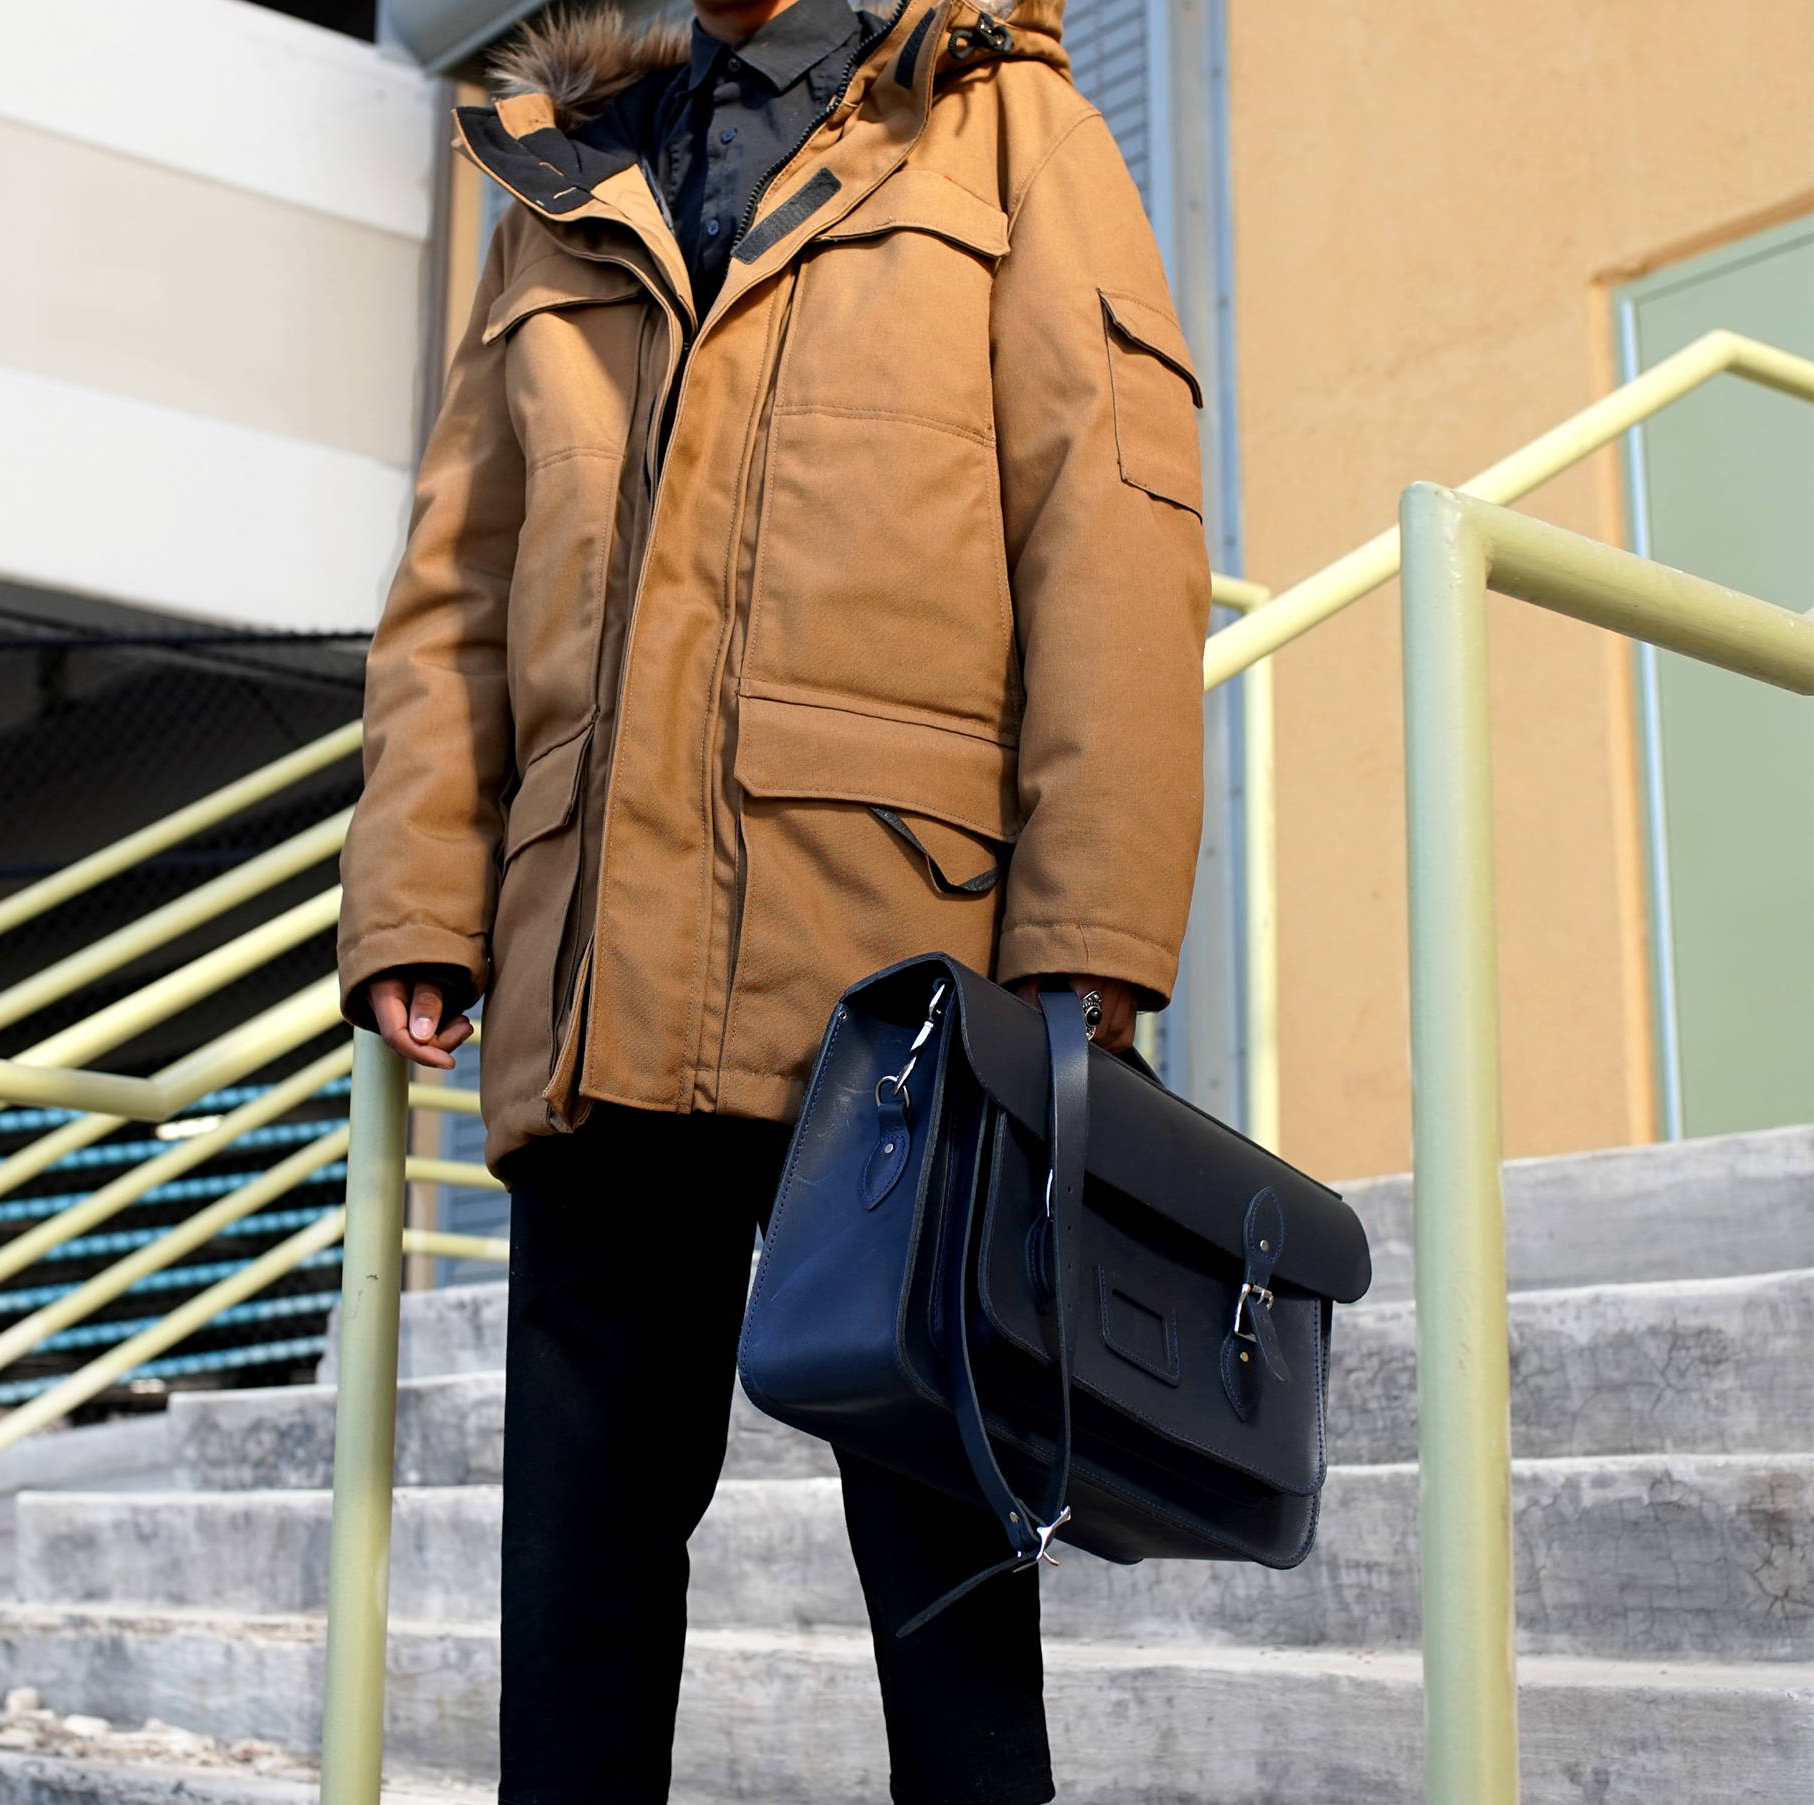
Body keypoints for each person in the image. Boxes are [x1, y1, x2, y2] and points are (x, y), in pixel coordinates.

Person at [335, 0, 1210, 1795]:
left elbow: (1110, 521)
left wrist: (1088, 930)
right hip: (596, 987)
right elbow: (457, 580)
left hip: (898, 996)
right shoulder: (564, 175)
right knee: (574, 1572)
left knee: (944, 1581)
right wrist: (420, 888)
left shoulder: (1003, 128)